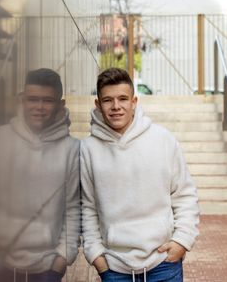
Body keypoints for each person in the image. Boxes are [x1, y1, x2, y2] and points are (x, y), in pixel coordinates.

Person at [80, 68, 199, 282]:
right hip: (114, 268)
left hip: (163, 264)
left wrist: (182, 241)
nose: (116, 106)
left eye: (123, 99)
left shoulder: (163, 140)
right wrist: (97, 257)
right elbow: (87, 208)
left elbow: (184, 195)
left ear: (134, 101)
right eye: (108, 100)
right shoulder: (87, 149)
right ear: (98, 105)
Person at [0, 68, 80, 282]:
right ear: (21, 100)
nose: (39, 107)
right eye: (33, 99)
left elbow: (72, 209)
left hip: (47, 268)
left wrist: (61, 259)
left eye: (47, 100)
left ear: (60, 105)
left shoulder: (72, 149)